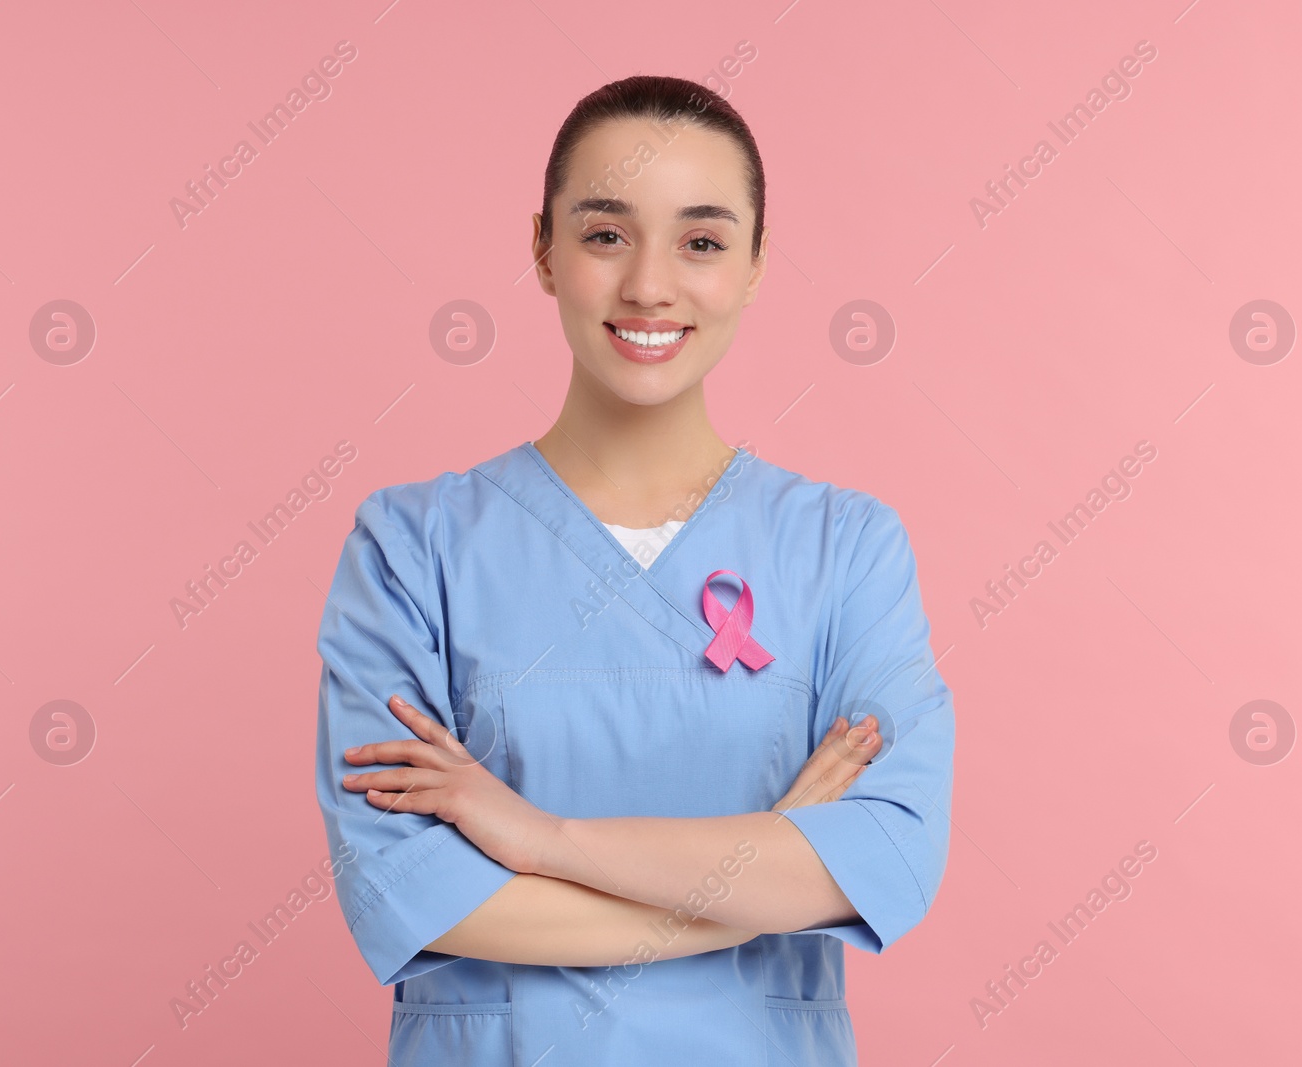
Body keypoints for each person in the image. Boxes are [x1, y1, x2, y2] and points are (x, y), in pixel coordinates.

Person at [314, 74, 955, 1066]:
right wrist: (761, 860)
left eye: (701, 241)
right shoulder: (412, 547)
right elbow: (410, 893)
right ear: (543, 248)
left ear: (753, 265)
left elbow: (887, 859)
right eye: (606, 233)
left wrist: (539, 838)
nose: (649, 285)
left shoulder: (846, 549)